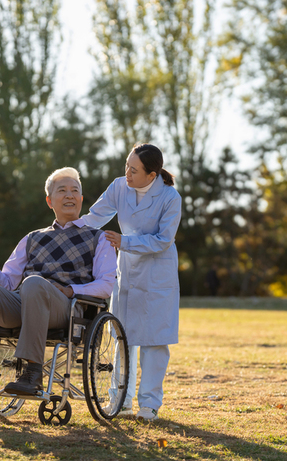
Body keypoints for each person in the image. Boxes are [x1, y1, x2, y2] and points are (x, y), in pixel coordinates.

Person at [0, 167, 116, 401]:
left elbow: (106, 285)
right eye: (62, 191)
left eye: (75, 191)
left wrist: (72, 290)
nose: (69, 195)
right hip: (24, 303)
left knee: (33, 284)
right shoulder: (32, 238)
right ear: (50, 201)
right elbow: (6, 283)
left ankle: (32, 372)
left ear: (81, 199)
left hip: (67, 309)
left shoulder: (98, 238)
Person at [81, 143, 181, 421]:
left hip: (158, 273)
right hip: (127, 272)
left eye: (134, 170)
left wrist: (124, 242)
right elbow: (94, 218)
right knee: (122, 337)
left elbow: (163, 240)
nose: (127, 173)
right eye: (126, 165)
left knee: (154, 341)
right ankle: (120, 400)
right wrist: (68, 231)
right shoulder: (119, 186)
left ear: (152, 175)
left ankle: (149, 405)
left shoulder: (170, 197)